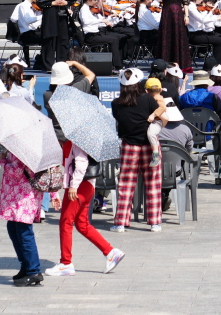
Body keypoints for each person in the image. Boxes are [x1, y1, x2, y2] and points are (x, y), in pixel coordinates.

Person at [46, 133, 123, 277]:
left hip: (79, 186)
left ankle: (66, 263)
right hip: (85, 186)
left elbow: (81, 164)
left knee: (66, 222)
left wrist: (73, 186)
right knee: (82, 224)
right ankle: (111, 252)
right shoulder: (81, 139)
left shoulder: (79, 140)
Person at [110, 68, 163, 233]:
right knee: (153, 184)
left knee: (125, 185)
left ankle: (120, 223)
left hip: (129, 146)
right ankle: (155, 222)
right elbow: (158, 114)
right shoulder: (147, 99)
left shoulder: (116, 104)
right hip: (150, 145)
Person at [0, 142, 46, 286]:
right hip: (15, 196)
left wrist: (1, 160)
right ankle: (26, 265)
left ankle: (34, 271)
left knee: (24, 232)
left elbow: (16, 171)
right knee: (13, 228)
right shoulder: (17, 146)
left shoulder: (22, 147)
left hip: (23, 196)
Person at [36, 0, 76, 69]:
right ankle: (48, 65)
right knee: (50, 40)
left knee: (63, 40)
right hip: (50, 15)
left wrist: (66, 2)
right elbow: (40, 2)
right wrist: (53, 3)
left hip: (63, 16)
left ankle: (61, 64)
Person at [9, 0, 45, 69]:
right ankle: (41, 60)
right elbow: (28, 20)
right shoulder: (23, 6)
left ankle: (41, 60)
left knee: (48, 37)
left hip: (32, 32)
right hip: (26, 34)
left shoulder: (31, 6)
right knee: (47, 39)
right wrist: (43, 16)